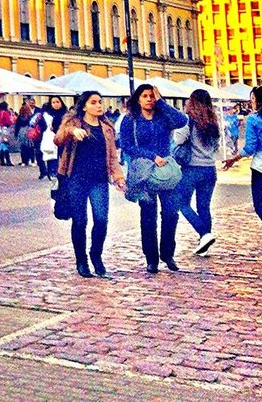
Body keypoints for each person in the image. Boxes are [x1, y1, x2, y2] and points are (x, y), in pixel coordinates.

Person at [55, 91, 126, 278]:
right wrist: (71, 131)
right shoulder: (73, 123)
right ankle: (81, 260)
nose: (99, 105)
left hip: (99, 180)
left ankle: (96, 256)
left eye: (100, 102)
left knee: (101, 220)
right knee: (80, 221)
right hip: (76, 179)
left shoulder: (106, 128)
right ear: (84, 106)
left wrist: (118, 177)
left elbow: (112, 157)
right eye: (93, 102)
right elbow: (58, 139)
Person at [120, 82, 188, 274]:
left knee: (171, 214)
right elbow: (126, 146)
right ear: (138, 99)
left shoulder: (163, 116)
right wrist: (151, 156)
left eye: (152, 96)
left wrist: (162, 103)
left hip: (166, 172)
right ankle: (151, 258)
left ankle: (168, 254)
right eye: (145, 96)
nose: (149, 99)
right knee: (148, 216)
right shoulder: (130, 120)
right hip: (145, 172)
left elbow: (182, 121)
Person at [173, 89, 220, 255]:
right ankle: (204, 245)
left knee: (181, 202)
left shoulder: (188, 120)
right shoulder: (214, 122)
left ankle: (204, 234)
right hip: (210, 169)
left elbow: (178, 139)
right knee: (204, 207)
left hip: (192, 168)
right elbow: (216, 147)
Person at [222, 85, 262, 227]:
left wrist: (234, 159)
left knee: (261, 206)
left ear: (258, 101)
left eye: (252, 99)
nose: (251, 102)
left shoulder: (254, 119)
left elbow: (250, 148)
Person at [39, 96, 68, 185]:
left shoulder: (66, 114)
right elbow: (41, 126)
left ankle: (63, 172)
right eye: (53, 102)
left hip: (64, 138)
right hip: (52, 139)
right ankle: (52, 172)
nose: (56, 104)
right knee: (52, 155)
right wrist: (47, 127)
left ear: (61, 103)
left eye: (57, 102)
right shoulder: (47, 114)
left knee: (64, 156)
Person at [0, 101, 15, 166]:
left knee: (1, 144)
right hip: (4, 128)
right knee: (5, 143)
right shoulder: (6, 113)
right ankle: (8, 161)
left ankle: (2, 160)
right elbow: (8, 121)